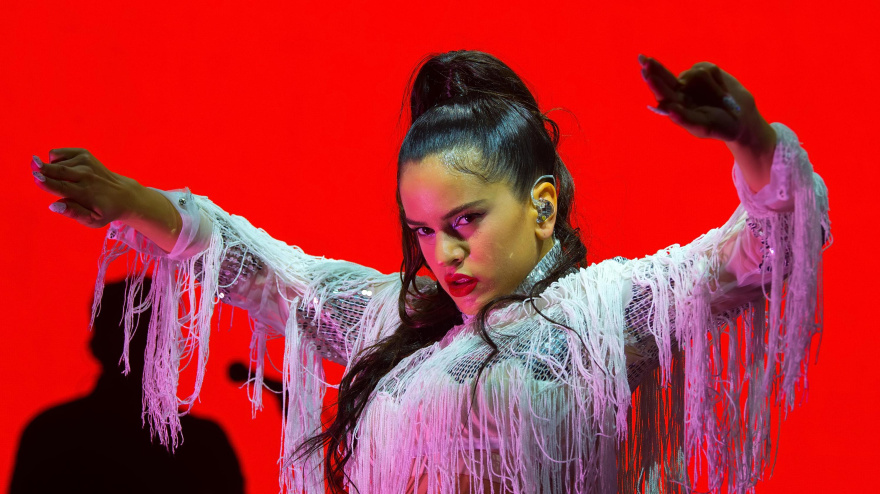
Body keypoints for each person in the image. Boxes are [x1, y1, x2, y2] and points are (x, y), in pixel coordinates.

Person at [30, 51, 830, 493]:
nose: (442, 254)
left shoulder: (609, 311)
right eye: (422, 230)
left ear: (542, 206)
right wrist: (135, 202)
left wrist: (753, 142)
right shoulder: (393, 320)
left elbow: (766, 248)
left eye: (465, 223)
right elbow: (260, 267)